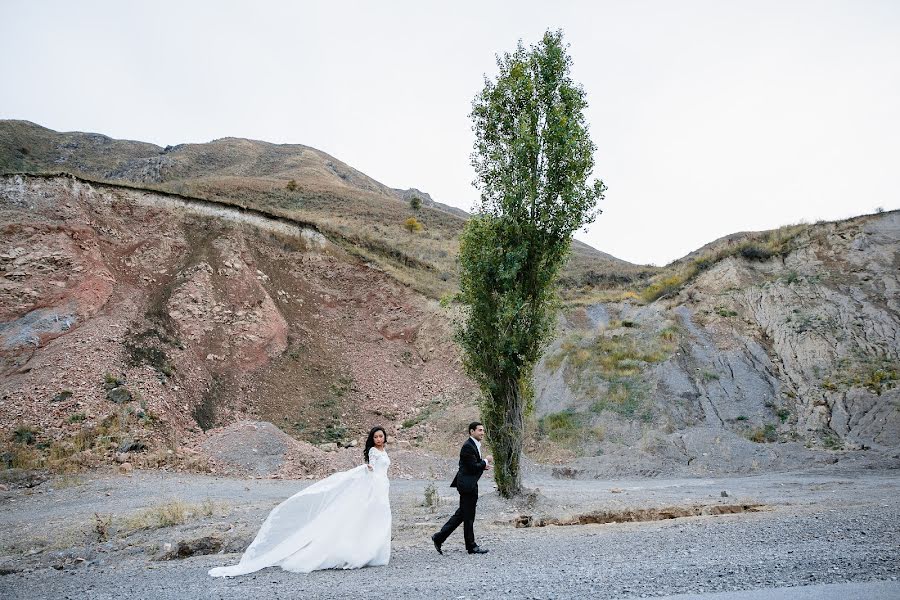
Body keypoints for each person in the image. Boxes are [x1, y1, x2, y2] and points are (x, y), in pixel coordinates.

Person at [209, 426, 392, 577]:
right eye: (375, 436)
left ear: (384, 438)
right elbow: (371, 468)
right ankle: (365, 550)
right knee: (372, 514)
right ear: (372, 438)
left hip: (382, 486)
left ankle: (376, 551)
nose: (378, 439)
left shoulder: (384, 450)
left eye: (381, 436)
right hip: (374, 486)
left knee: (379, 516)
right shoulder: (373, 451)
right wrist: (366, 469)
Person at [431, 421, 491, 555]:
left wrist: (483, 465)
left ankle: (439, 537)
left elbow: (473, 465)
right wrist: (486, 461)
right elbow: (472, 467)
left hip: (469, 484)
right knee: (468, 516)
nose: (482, 433)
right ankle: (471, 546)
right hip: (466, 486)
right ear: (472, 431)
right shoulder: (468, 446)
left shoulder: (473, 445)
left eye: (483, 430)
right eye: (480, 430)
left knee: (462, 515)